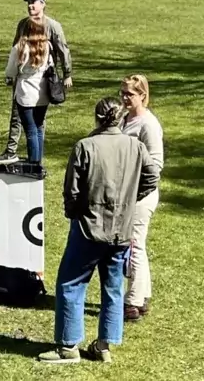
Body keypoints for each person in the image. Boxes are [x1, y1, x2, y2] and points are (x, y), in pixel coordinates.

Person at [38, 98, 161, 365]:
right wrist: (131, 200)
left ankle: (68, 346)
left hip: (88, 228)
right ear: (119, 119)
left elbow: (71, 190)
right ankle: (104, 345)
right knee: (114, 287)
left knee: (71, 284)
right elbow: (152, 176)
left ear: (96, 118)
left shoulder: (85, 146)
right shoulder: (135, 146)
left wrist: (74, 212)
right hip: (121, 230)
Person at [0, 0, 71, 163]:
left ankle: (34, 162)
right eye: (28, 3)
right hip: (39, 85)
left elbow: (63, 49)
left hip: (31, 85)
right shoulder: (23, 25)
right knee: (26, 122)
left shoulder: (52, 26)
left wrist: (67, 73)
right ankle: (15, 151)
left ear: (43, 4)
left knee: (33, 127)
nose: (30, 6)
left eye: (33, 3)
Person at [120, 75, 164, 323]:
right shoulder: (125, 118)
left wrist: (138, 187)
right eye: (123, 93)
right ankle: (143, 294)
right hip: (127, 192)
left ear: (143, 96)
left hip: (141, 195)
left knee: (134, 245)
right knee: (137, 244)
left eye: (130, 94)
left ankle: (133, 301)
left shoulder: (148, 124)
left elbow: (156, 165)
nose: (125, 98)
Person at [5, 12, 53, 163]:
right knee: (38, 128)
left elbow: (11, 71)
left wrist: (12, 76)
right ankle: (38, 161)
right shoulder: (47, 45)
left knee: (31, 130)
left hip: (26, 91)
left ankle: (33, 162)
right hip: (42, 90)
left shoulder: (20, 47)